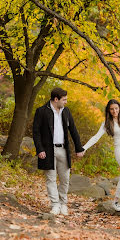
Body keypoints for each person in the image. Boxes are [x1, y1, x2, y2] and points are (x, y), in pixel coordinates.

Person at [33, 87, 85, 216]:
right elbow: (36, 132)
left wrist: (79, 148)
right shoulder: (42, 111)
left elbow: (73, 130)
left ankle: (63, 204)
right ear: (56, 99)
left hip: (63, 150)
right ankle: (55, 205)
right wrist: (40, 149)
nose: (66, 102)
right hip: (48, 151)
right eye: (64, 99)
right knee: (50, 179)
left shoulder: (66, 111)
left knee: (65, 179)